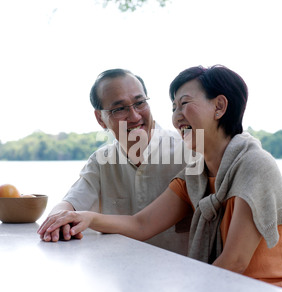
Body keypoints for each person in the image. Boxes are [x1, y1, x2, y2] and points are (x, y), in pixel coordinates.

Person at [38, 65, 282, 292]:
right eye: (174, 106)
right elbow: (141, 224)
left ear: (219, 106)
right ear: (101, 118)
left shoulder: (254, 164)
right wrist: (87, 217)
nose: (176, 116)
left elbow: (234, 262)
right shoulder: (195, 175)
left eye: (184, 103)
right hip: (218, 287)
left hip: (268, 291)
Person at [40, 68, 193, 255]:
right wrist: (58, 220)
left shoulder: (189, 151)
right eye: (119, 109)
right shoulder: (101, 161)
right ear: (100, 119)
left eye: (140, 103)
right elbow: (70, 204)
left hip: (180, 279)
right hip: (120, 275)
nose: (135, 116)